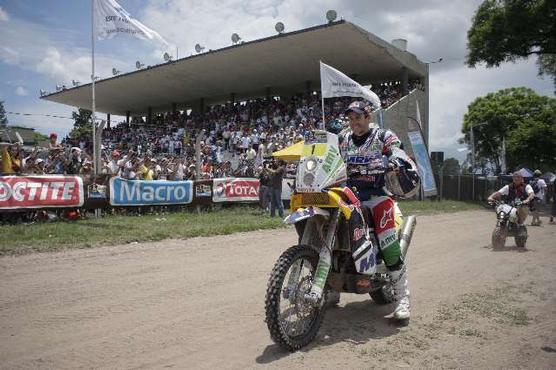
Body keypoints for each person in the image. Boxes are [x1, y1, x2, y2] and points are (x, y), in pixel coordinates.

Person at [339, 101, 420, 321]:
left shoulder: (383, 135)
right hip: (349, 195)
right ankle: (329, 287)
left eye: (358, 117)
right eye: (351, 118)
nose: (354, 122)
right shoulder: (343, 138)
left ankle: (402, 299)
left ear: (368, 116)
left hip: (377, 196)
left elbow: (397, 148)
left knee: (387, 241)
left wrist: (393, 158)